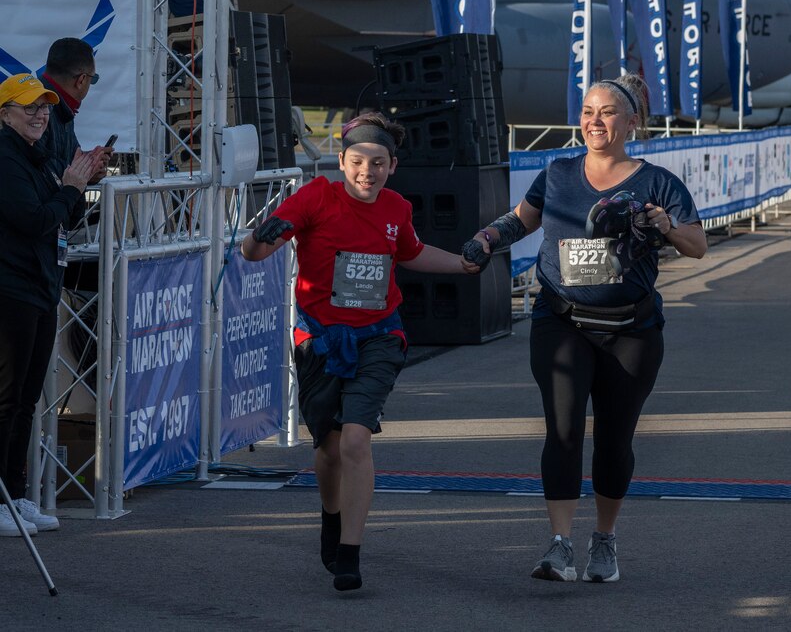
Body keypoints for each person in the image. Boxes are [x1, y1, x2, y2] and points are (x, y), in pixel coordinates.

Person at [462, 74, 707, 584]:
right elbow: (521, 220)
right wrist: (487, 237)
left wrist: (665, 225)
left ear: (631, 123)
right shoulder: (558, 172)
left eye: (608, 112)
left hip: (631, 331)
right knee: (565, 429)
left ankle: (604, 540)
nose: (595, 121)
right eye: (589, 111)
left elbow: (697, 245)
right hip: (562, 322)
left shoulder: (657, 181)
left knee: (614, 441)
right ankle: (558, 545)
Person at [240, 112, 479, 592]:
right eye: (356, 161)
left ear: (392, 166)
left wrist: (461, 264)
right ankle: (331, 517)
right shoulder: (315, 197)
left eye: (377, 162)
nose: (366, 171)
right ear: (341, 162)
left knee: (355, 441)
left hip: (379, 336)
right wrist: (256, 239)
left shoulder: (396, 208)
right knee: (328, 450)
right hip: (320, 339)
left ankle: (350, 552)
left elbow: (409, 253)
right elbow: (257, 252)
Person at [0, 74, 99, 536]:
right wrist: (70, 188)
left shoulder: (36, 155)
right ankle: (1, 498)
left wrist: (78, 185)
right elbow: (34, 218)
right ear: (5, 115)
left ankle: (15, 496)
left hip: (40, 287)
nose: (41, 115)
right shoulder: (5, 156)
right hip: (11, 292)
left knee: (26, 400)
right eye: (29, 108)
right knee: (8, 399)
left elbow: (64, 215)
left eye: (44, 107)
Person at [38, 38, 111, 186]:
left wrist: (88, 163)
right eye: (93, 78)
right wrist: (83, 171)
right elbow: (37, 174)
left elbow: (55, 163)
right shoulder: (41, 109)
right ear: (82, 80)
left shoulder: (63, 108)